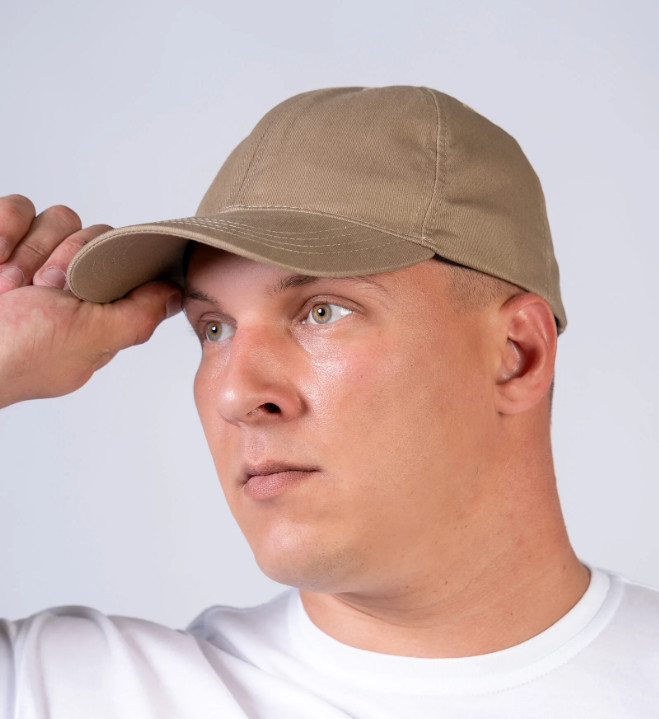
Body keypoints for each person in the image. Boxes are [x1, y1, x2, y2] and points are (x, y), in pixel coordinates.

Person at [0, 86, 657, 717]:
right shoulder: (69, 696)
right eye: (214, 328)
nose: (235, 392)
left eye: (322, 311)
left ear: (518, 354)